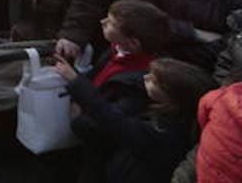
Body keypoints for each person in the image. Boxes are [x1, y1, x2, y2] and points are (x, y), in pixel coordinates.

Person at [52, 55, 215, 183]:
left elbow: (113, 120)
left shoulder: (163, 135)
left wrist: (76, 82)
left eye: (154, 81)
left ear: (171, 97)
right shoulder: (176, 115)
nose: (145, 78)